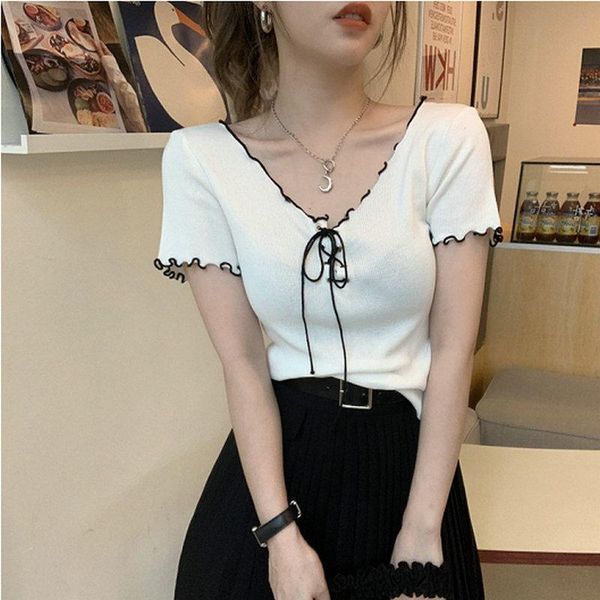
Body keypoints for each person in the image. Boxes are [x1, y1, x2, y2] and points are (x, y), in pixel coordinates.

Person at [153, 2, 503, 599]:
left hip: (408, 469)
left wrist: (421, 532)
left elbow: (453, 349)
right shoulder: (201, 159)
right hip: (274, 482)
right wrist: (279, 536)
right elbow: (242, 363)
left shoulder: (447, 138)